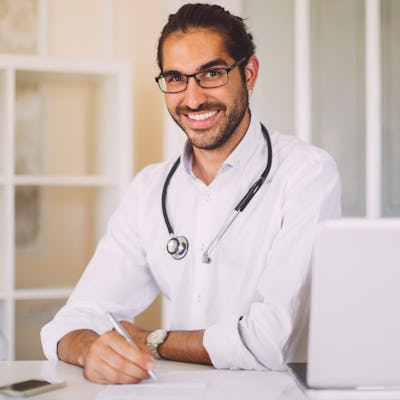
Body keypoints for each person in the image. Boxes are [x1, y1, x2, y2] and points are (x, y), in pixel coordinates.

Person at [41, 3, 341, 384]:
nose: (193, 98)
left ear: (249, 73)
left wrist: (151, 341)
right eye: (176, 78)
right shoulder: (150, 189)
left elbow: (270, 342)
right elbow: (73, 319)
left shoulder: (306, 174)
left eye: (212, 73)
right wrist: (90, 349)